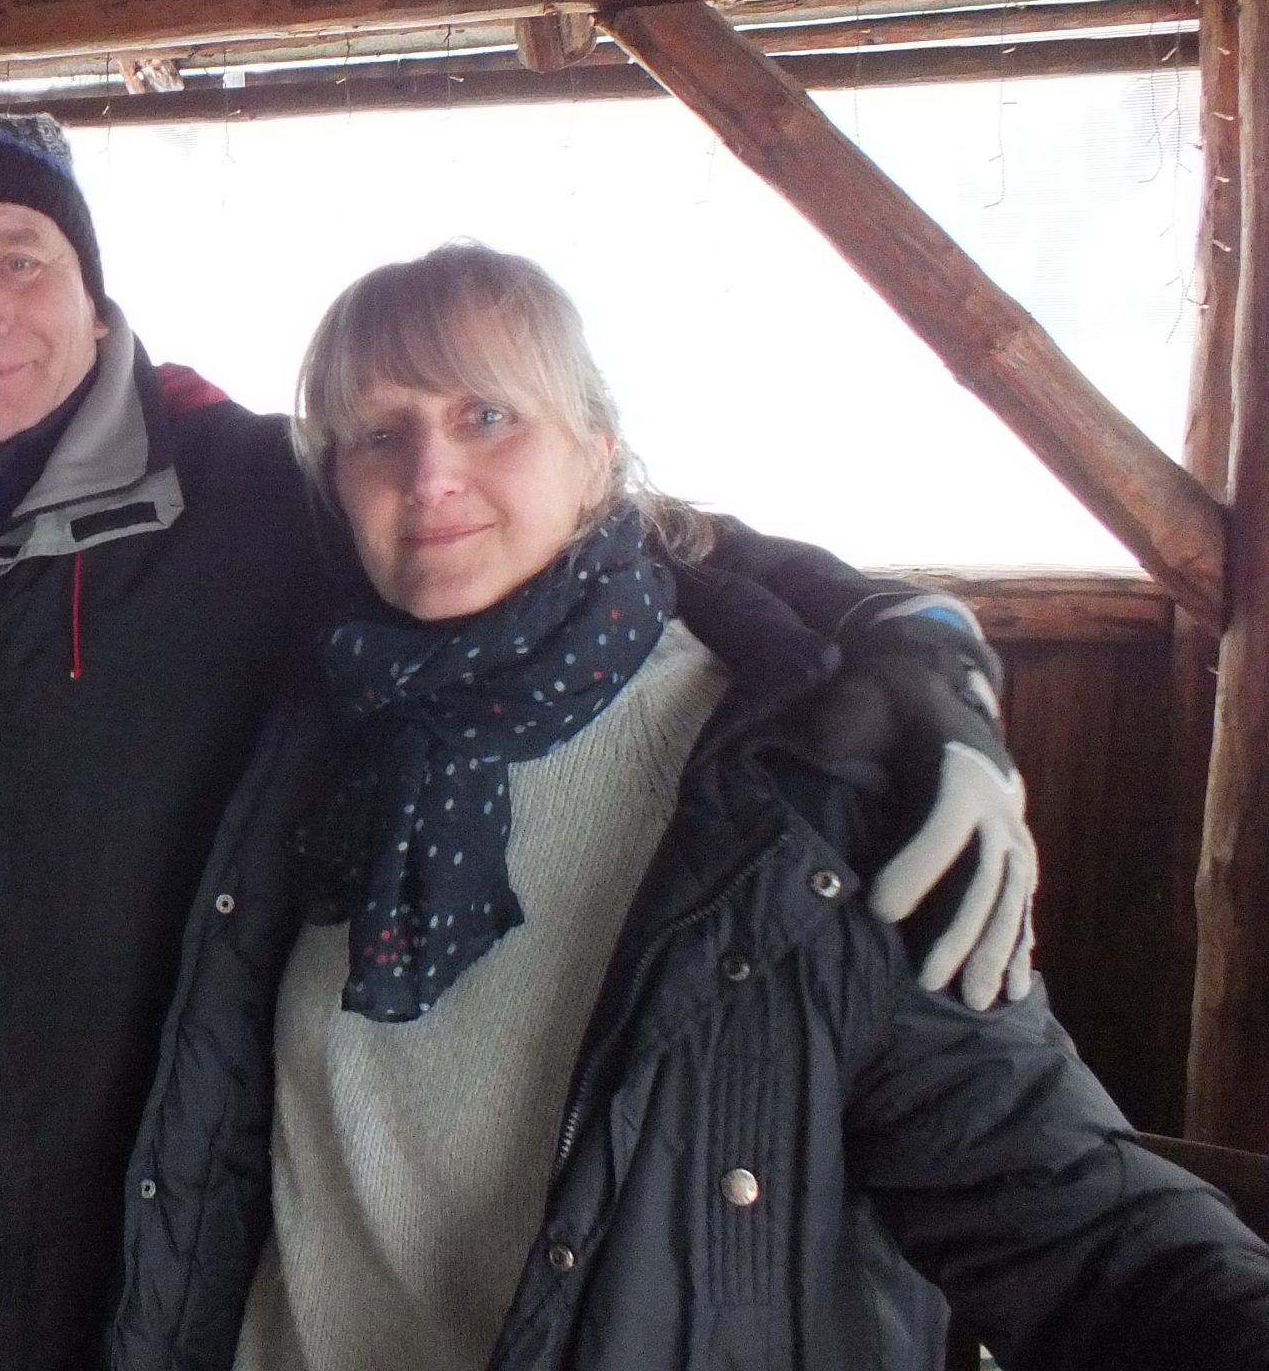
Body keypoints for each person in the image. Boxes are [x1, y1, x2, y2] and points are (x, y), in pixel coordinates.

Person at [0, 114, 1037, 1371]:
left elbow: (614, 537)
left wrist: (925, 661)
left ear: (91, 290)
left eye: (18, 258)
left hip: (119, 1293)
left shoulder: (253, 494)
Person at [110, 243, 1269, 1371]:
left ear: (596, 454)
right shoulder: (300, 736)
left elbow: (1068, 1211)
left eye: (487, 416)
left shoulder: (801, 794)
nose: (428, 475)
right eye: (378, 434)